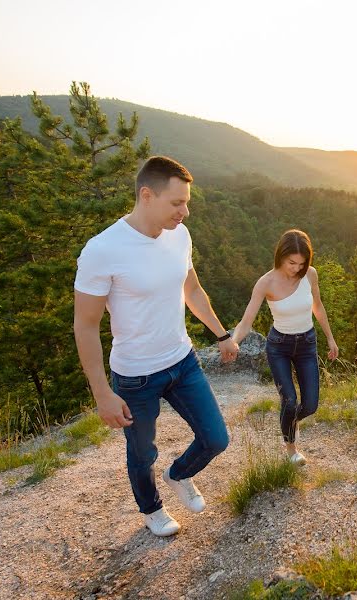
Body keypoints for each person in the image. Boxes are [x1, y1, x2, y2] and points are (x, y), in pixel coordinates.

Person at [73, 156, 239, 537]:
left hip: (182, 361)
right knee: (142, 452)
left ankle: (179, 474)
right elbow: (85, 326)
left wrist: (221, 333)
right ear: (146, 195)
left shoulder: (179, 235)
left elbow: (191, 288)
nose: (185, 212)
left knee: (216, 438)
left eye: (187, 202)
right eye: (176, 203)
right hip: (135, 376)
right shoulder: (103, 250)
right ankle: (152, 510)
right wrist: (102, 394)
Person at [232, 229, 338, 465]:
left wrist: (330, 338)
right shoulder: (266, 282)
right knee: (289, 400)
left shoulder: (310, 275)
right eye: (292, 262)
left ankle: (290, 422)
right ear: (280, 256)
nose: (296, 268)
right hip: (279, 346)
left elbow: (318, 307)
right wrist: (233, 342)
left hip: (307, 344)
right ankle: (291, 448)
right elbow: (246, 321)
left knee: (310, 405)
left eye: (301, 263)